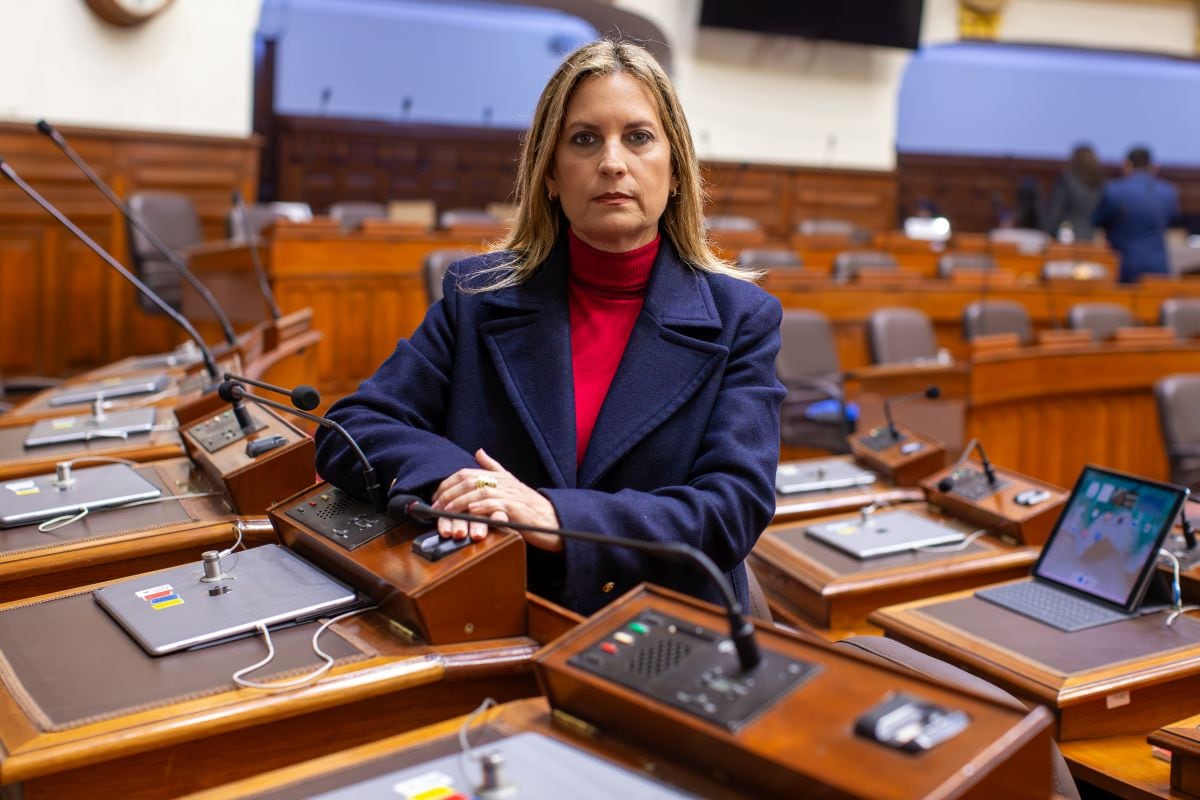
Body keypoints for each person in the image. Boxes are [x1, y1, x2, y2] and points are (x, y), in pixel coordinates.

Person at [315, 40, 784, 617]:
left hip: (662, 624)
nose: (613, 162)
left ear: (677, 170)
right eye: (584, 139)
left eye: (638, 137)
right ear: (551, 176)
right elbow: (354, 428)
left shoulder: (742, 318)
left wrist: (560, 518)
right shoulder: (477, 297)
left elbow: (732, 507)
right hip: (495, 605)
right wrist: (469, 486)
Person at [1092, 146, 1180, 283]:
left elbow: (1098, 220)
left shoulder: (1114, 190)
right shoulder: (1168, 192)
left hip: (1123, 265)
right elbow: (1171, 219)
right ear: (1153, 166)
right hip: (1158, 265)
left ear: (1127, 165)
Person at [1043, 144, 1103, 242]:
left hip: (1067, 238)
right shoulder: (1100, 183)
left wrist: (1047, 232)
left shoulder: (1066, 180)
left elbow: (1055, 212)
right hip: (1093, 238)